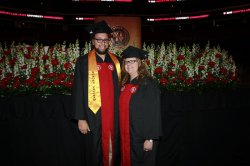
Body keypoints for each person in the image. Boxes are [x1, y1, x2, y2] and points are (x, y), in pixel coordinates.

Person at [72, 20, 121, 166]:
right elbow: (78, 90)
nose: (102, 43)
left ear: (109, 41)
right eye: (99, 40)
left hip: (114, 115)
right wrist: (80, 118)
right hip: (93, 115)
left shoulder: (117, 62)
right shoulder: (83, 62)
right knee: (94, 150)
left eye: (105, 40)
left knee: (114, 147)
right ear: (93, 41)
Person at [119, 46, 162, 166]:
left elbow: (154, 112)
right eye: (127, 61)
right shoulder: (125, 84)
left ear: (139, 63)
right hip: (128, 136)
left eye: (133, 61)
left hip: (142, 137)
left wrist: (150, 139)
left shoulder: (147, 83)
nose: (129, 64)